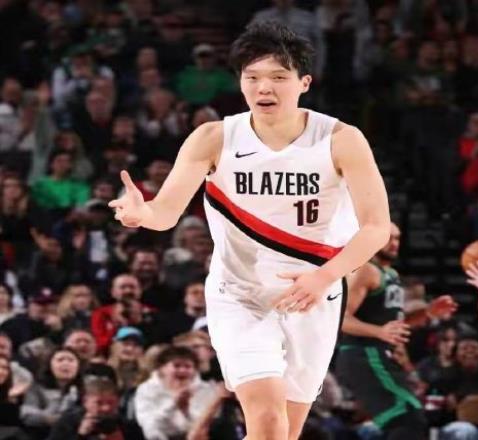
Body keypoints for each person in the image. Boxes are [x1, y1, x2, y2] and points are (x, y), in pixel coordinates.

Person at [109, 21, 391, 440]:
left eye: (278, 77)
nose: (264, 88)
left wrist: (324, 277)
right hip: (239, 294)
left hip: (313, 294)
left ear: (304, 83)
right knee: (268, 421)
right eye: (252, 77)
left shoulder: (340, 139)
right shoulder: (213, 138)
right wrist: (141, 214)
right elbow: (165, 213)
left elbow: (377, 228)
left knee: (287, 432)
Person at [336, 223, 458, 440]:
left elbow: (395, 326)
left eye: (397, 238)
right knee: (407, 417)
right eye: (389, 237)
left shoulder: (390, 273)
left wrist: (428, 313)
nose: (394, 243)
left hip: (380, 356)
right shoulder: (365, 270)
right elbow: (341, 318)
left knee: (409, 419)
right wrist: (378, 331)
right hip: (363, 355)